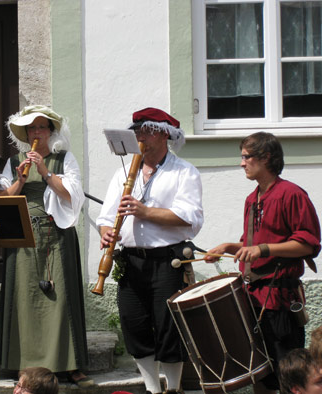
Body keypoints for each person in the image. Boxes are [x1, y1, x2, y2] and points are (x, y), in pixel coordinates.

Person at [97, 107, 204, 394]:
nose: (139, 135)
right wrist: (106, 233)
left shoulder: (184, 171)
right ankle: (152, 389)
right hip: (131, 260)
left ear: (165, 134)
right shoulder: (122, 173)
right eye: (137, 130)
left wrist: (145, 212)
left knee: (169, 328)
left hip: (168, 260)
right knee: (134, 326)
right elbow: (106, 219)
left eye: (146, 130)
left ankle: (174, 388)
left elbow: (189, 219)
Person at [207, 131, 321, 394]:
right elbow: (253, 246)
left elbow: (308, 244)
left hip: (279, 299)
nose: (242, 163)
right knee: (260, 373)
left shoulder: (291, 194)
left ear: (266, 157)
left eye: (246, 157)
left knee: (287, 375)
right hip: (252, 298)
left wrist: (263, 249)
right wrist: (228, 247)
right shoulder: (252, 199)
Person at [0, 105, 92, 387]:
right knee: (25, 300)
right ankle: (23, 366)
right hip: (23, 235)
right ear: (26, 134)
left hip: (56, 234)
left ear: (50, 132)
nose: (37, 133)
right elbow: (2, 200)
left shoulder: (64, 159)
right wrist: (20, 181)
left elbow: (72, 197)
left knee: (60, 300)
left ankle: (69, 365)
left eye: (42, 128)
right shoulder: (14, 162)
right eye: (32, 129)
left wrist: (44, 172)